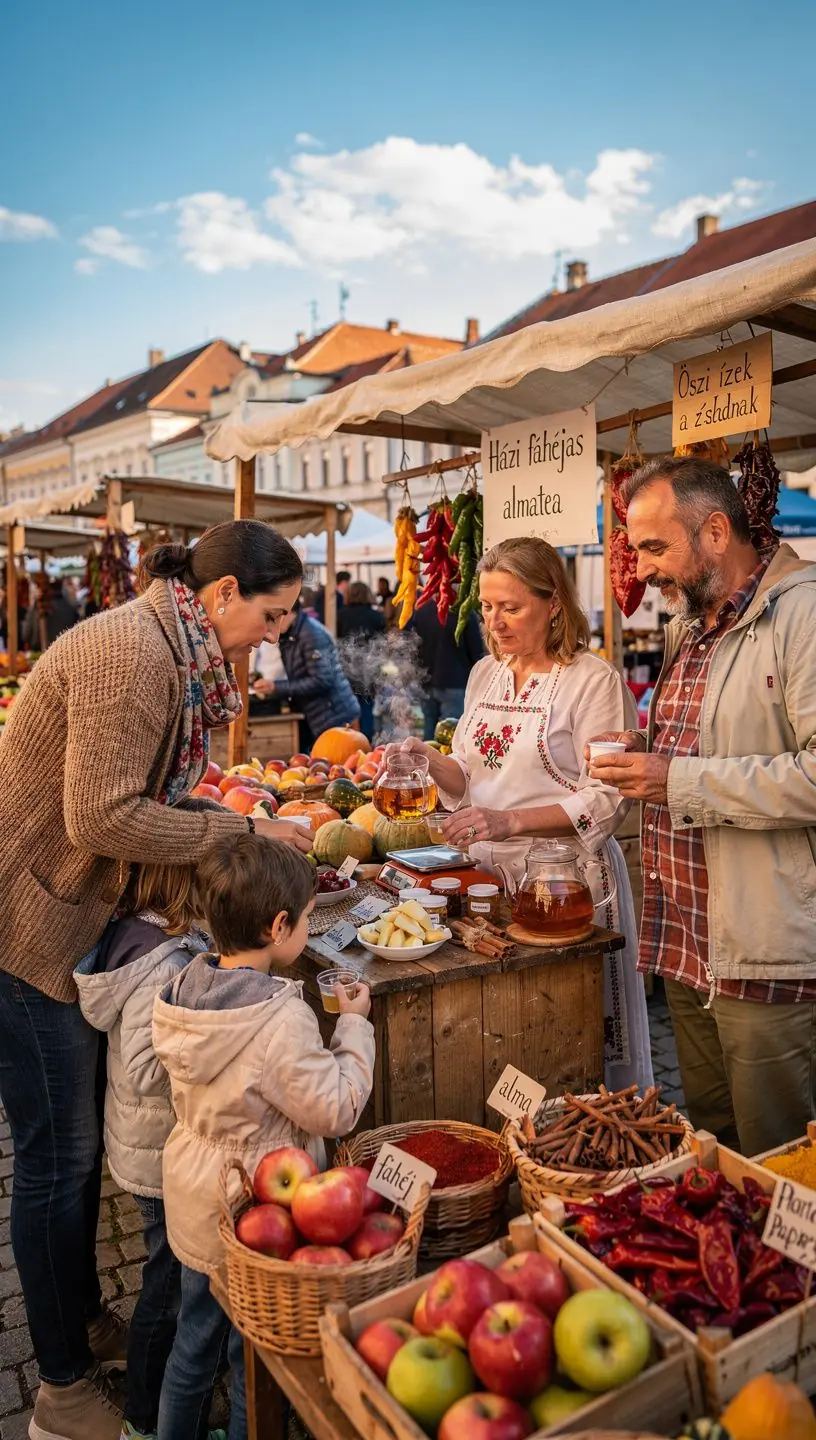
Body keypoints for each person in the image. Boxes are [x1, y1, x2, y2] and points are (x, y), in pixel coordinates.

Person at [0, 519, 311, 1440]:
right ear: (222, 595)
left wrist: (221, 816)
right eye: (273, 615)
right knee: (57, 1160)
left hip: (62, 915)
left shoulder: (171, 648)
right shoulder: (133, 655)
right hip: (27, 926)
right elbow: (101, 817)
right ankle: (60, 1390)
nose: (277, 635)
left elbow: (144, 796)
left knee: (71, 1153)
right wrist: (237, 830)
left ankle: (74, 1317)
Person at [589, 455, 816, 1156]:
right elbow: (711, 741)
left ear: (716, 532)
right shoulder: (689, 623)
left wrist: (675, 778)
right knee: (717, 1147)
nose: (642, 569)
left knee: (780, 1161)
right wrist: (645, 748)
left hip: (764, 947)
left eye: (654, 547)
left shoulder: (802, 613)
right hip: (687, 941)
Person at [384, 536, 653, 1092]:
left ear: (553, 603)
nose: (495, 621)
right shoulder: (486, 672)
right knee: (504, 1026)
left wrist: (509, 822)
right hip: (487, 882)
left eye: (511, 607)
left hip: (564, 885)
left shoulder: (592, 681)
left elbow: (605, 799)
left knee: (568, 1035)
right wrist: (429, 760)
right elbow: (471, 774)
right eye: (487, 606)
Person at [153, 834, 374, 1440]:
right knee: (257, 1353)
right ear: (279, 927)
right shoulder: (279, 1020)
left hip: (196, 1199)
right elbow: (335, 1108)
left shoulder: (184, 990)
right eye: (305, 918)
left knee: (192, 1342)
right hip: (257, 1209)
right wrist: (353, 1027)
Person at [74, 860, 222, 1440]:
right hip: (160, 1157)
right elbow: (144, 1067)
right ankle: (145, 1417)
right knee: (167, 1290)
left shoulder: (151, 939)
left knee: (169, 1280)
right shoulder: (162, 962)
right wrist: (210, 1047)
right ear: (186, 884)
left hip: (150, 1145)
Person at [269, 596, 360, 751]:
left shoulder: (312, 634)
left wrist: (277, 687)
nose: (272, 624)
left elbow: (322, 680)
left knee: (341, 760)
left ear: (288, 612)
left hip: (335, 715)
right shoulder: (291, 634)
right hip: (319, 714)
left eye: (275, 617)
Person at [409, 596, 484, 741]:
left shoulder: (422, 609)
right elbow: (476, 651)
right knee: (450, 733)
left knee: (430, 727)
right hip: (454, 679)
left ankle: (426, 755)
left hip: (427, 678)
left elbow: (414, 646)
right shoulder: (463, 610)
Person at [337, 581, 386, 739]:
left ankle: (349, 740)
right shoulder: (376, 616)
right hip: (369, 669)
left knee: (348, 708)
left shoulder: (340, 615)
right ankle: (365, 741)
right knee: (367, 708)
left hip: (346, 667)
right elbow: (382, 644)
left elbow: (337, 642)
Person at [23, 574, 79, 650]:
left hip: (44, 650)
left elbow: (26, 633)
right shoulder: (70, 608)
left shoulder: (38, 607)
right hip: (65, 649)